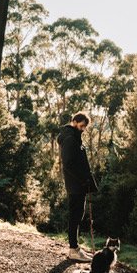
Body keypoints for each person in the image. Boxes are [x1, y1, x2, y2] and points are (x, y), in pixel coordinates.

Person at [57, 111, 98, 262]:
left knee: (78, 215)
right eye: (81, 126)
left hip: (78, 184)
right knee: (75, 216)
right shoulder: (69, 139)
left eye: (84, 127)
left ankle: (75, 248)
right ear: (74, 121)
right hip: (75, 185)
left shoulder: (74, 137)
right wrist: (82, 179)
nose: (83, 129)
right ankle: (73, 249)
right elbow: (68, 164)